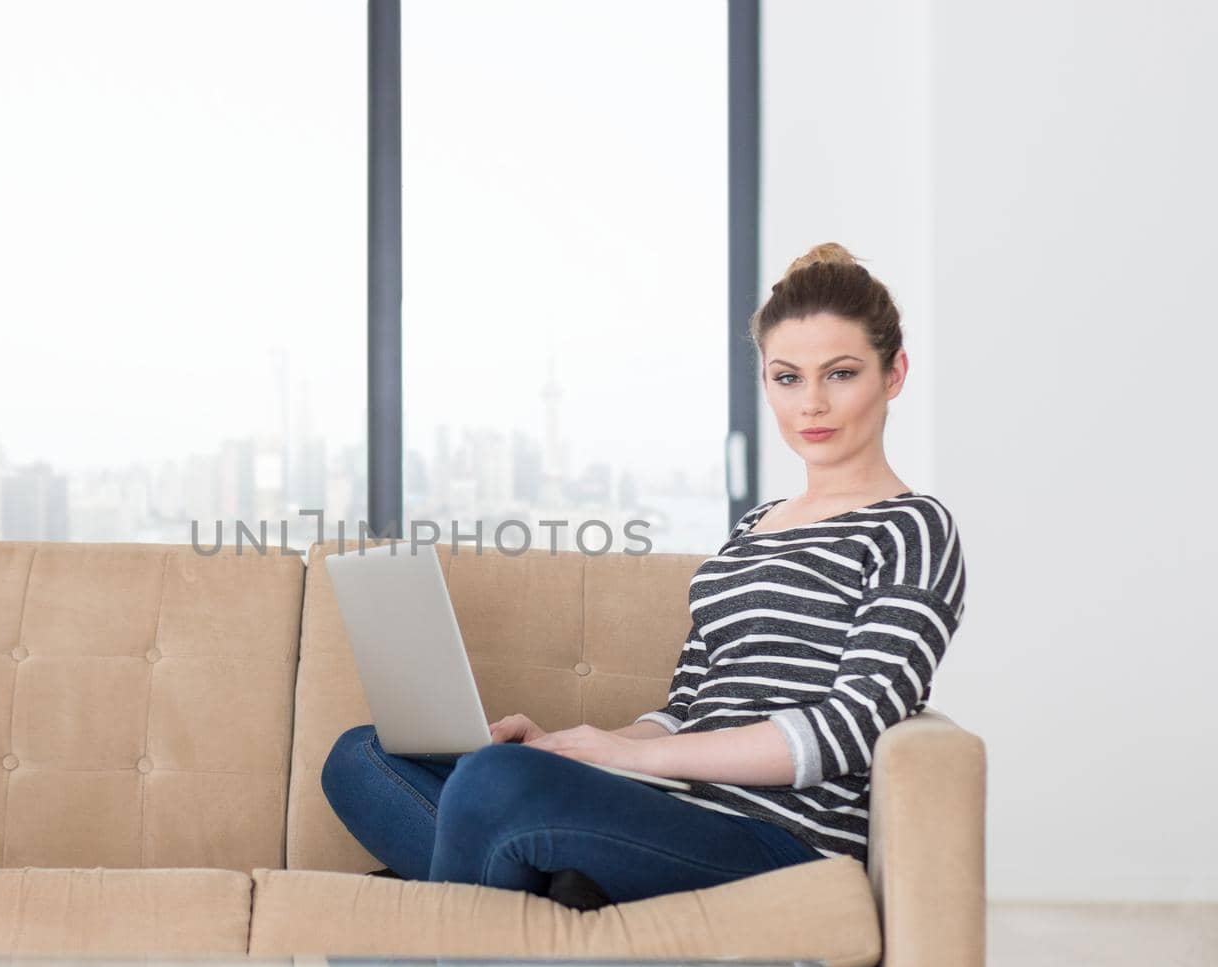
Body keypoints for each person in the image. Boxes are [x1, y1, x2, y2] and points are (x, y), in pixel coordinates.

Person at [320, 241, 967, 910]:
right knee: (362, 758)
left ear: (894, 375)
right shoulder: (752, 528)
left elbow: (844, 729)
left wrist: (629, 759)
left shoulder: (912, 527)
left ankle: (493, 903)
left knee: (493, 785)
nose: (811, 404)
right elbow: (685, 709)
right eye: (787, 377)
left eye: (840, 374)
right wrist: (570, 747)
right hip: (664, 810)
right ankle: (541, 885)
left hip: (776, 841)